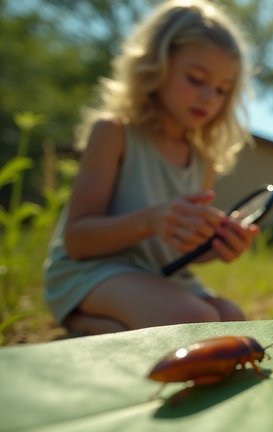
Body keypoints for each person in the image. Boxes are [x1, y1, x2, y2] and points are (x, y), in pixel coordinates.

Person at [44, 0, 258, 335]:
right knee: (197, 322)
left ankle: (117, 326)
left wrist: (215, 247)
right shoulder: (113, 133)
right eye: (196, 78)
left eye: (221, 89)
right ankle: (77, 320)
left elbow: (177, 251)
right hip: (93, 271)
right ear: (155, 65)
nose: (208, 97)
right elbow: (77, 240)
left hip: (159, 275)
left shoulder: (203, 159)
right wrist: (150, 220)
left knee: (231, 319)